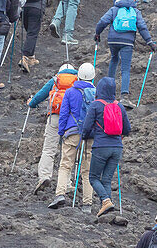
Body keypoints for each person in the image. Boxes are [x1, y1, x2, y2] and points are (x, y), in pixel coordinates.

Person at [94, 0, 155, 108]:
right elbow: (142, 27)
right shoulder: (135, 11)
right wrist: (149, 42)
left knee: (114, 59)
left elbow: (102, 22)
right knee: (125, 69)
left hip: (113, 41)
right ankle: (124, 97)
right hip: (127, 42)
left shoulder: (114, 9)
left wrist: (97, 33)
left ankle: (108, 93)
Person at [80, 76, 131, 218]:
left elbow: (86, 127)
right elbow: (127, 129)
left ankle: (105, 200)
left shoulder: (95, 105)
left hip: (101, 146)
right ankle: (107, 211)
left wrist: (86, 136)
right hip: (117, 148)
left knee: (93, 178)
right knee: (106, 179)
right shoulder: (120, 106)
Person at [49, 62, 96, 210]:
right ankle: (87, 204)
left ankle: (60, 194)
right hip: (90, 135)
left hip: (72, 132)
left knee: (65, 165)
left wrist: (61, 132)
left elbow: (63, 114)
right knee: (87, 170)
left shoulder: (70, 92)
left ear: (79, 76)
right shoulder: (97, 93)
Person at [27, 64, 78, 193]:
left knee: (49, 148)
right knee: (68, 151)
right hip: (71, 120)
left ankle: (44, 176)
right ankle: (66, 183)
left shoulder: (55, 80)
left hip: (54, 117)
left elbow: (40, 95)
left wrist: (31, 103)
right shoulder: (78, 80)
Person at [16, 0, 64, 72]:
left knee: (30, 31)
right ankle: (25, 58)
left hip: (23, 6)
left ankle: (31, 57)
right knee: (33, 32)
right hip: (37, 7)